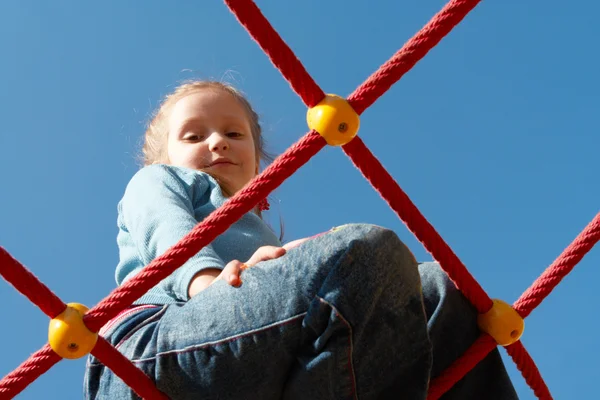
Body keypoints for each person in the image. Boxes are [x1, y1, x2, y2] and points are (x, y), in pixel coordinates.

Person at [84, 80, 518, 399]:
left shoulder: (255, 227)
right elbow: (166, 233)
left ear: (258, 161)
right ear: (164, 157)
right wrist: (207, 280)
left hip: (249, 361)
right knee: (363, 254)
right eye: (194, 136)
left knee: (439, 292)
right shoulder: (160, 179)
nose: (217, 143)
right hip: (149, 352)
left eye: (234, 134)